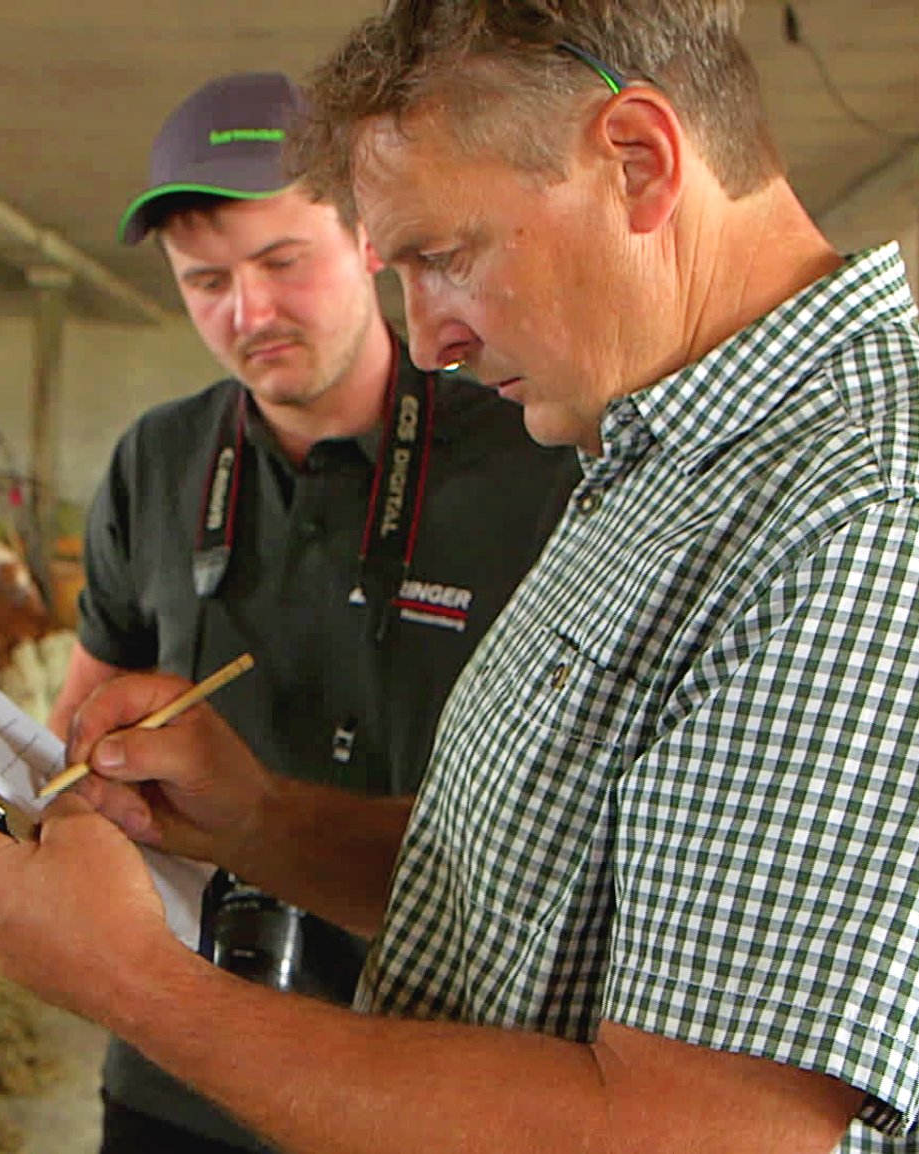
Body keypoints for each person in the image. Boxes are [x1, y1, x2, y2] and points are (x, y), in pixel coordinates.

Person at [0, 4, 919, 1153]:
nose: (428, 336)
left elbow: (683, 1129)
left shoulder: (878, 524)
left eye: (444, 257)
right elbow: (533, 899)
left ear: (637, 162)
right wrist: (259, 819)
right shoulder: (656, 456)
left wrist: (138, 983)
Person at [46, 70, 579, 1153]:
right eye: (204, 283)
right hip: (180, 1061)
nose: (248, 314)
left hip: (438, 1064)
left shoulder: (534, 455)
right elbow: (84, 706)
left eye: (280, 263)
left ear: (370, 239)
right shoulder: (156, 461)